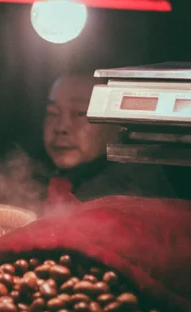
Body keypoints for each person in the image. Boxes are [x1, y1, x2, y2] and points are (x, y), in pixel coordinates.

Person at [43, 73, 177, 211]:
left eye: (80, 113)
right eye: (52, 113)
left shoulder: (126, 192)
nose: (60, 127)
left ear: (118, 121)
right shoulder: (61, 179)